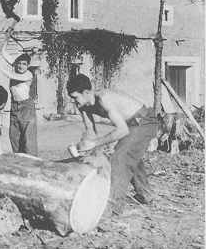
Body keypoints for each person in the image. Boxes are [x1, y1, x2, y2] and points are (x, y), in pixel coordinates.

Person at [67, 74, 159, 217]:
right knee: (130, 155)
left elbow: (122, 130)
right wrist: (84, 146)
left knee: (120, 158)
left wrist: (95, 143)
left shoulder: (104, 98)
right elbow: (91, 132)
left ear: (86, 93)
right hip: (131, 124)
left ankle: (112, 207)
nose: (73, 101)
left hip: (144, 121)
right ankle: (146, 195)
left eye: (75, 97)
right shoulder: (83, 106)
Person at [0, 20, 39, 156]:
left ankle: (33, 164)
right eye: (19, 64)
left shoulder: (28, 75)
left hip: (26, 108)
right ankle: (18, 161)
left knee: (28, 139)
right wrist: (7, 35)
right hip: (14, 106)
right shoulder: (15, 67)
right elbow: (3, 51)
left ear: (28, 65)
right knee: (14, 137)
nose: (21, 67)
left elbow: (9, 74)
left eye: (24, 64)